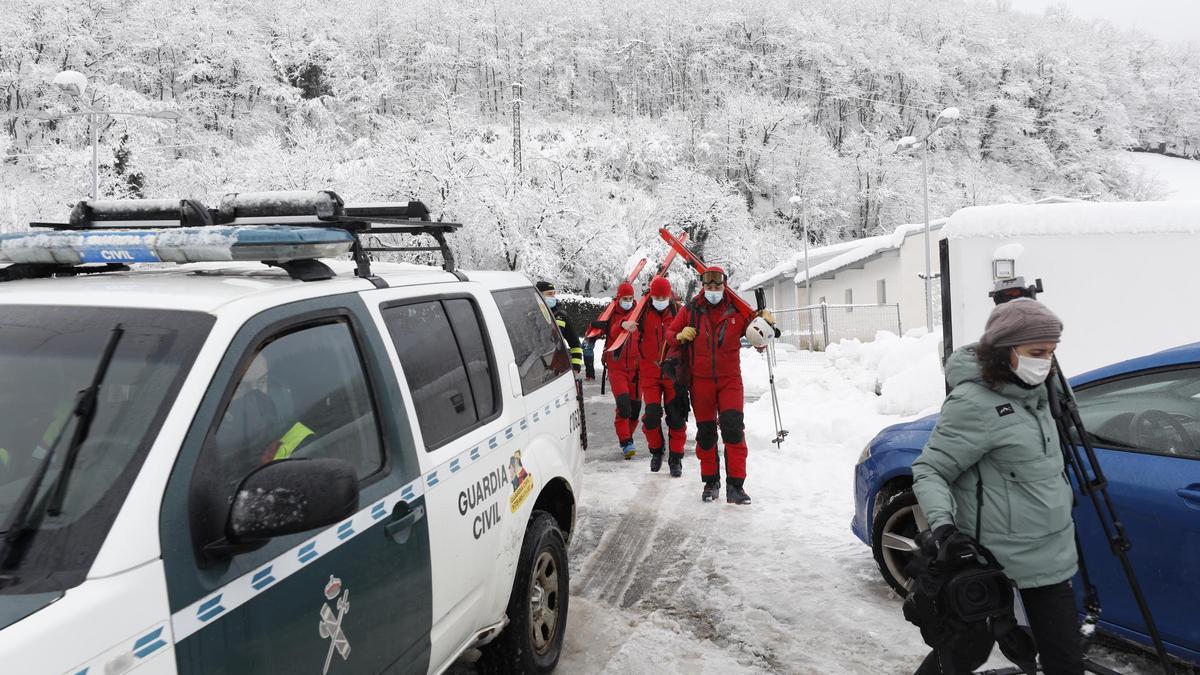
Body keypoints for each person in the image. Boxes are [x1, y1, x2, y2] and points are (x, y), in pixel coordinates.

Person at [910, 298, 1082, 675]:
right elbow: (930, 469)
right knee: (961, 656)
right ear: (1005, 352)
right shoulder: (973, 403)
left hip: (1051, 558)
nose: (1046, 362)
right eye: (1037, 352)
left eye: (1051, 353)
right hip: (991, 564)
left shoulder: (1044, 394)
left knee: (1065, 662)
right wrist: (943, 528)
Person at [668, 265, 754, 504]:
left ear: (724, 286)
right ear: (703, 287)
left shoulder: (737, 309)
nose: (713, 290)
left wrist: (764, 328)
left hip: (730, 381)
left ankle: (736, 486)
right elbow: (670, 334)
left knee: (733, 428)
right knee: (706, 434)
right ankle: (710, 482)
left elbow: (759, 335)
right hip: (700, 381)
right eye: (708, 286)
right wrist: (679, 335)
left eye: (717, 286)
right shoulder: (691, 310)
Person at [633, 276, 689, 477]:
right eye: (656, 296)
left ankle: (676, 458)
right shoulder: (641, 312)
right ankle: (656, 451)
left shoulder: (679, 311)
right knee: (652, 417)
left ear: (669, 295)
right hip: (649, 373)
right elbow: (622, 326)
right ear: (651, 295)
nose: (660, 299)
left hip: (673, 373)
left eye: (663, 296)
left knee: (676, 417)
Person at [593, 282, 642, 459]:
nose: (628, 302)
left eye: (630, 299)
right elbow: (608, 331)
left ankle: (627, 436)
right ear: (619, 298)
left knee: (635, 410)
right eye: (624, 299)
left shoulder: (640, 312)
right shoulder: (611, 312)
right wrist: (622, 324)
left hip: (636, 370)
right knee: (623, 406)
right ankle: (626, 442)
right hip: (617, 367)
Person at [536, 281, 584, 377]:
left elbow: (575, 344)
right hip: (534, 369)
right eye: (549, 294)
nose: (553, 297)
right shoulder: (529, 315)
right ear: (539, 296)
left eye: (554, 294)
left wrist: (575, 367)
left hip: (556, 370)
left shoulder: (561, 317)